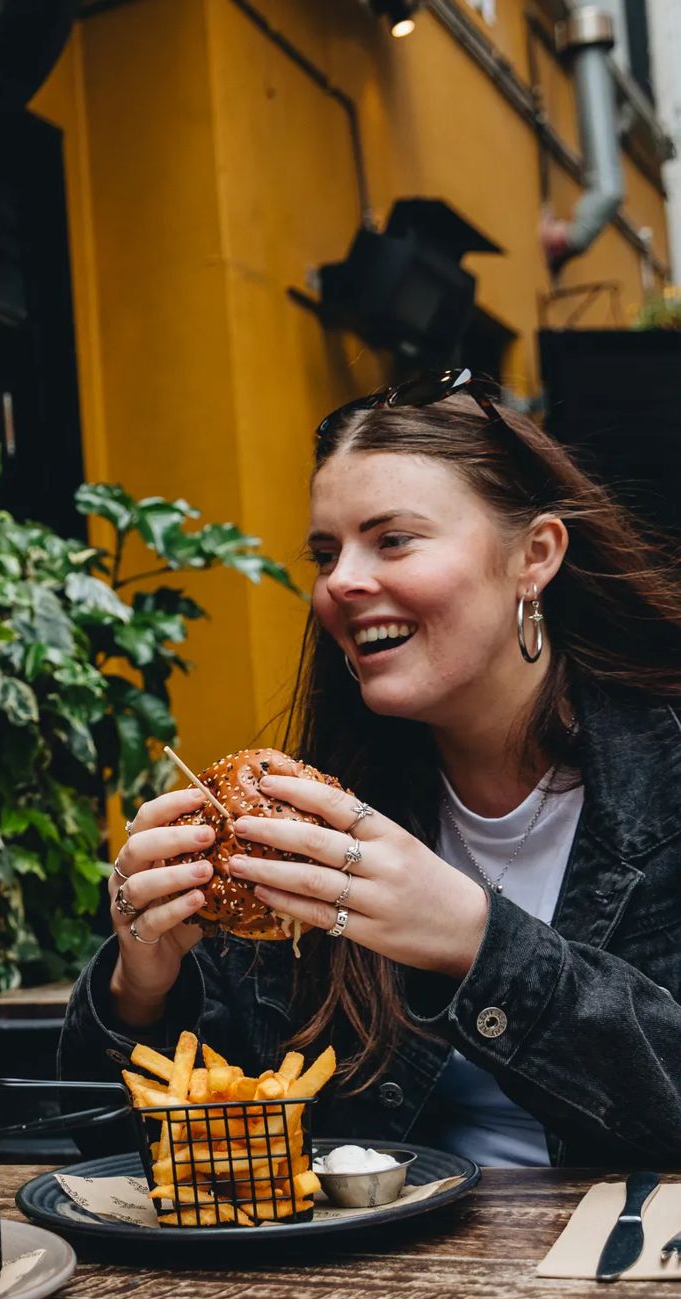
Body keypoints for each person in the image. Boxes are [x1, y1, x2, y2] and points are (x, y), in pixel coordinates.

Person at [63, 369, 681, 1168]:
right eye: (327, 552)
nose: (340, 582)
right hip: (389, 1283)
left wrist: (475, 941)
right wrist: (141, 989)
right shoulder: (305, 812)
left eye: (392, 539)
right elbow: (136, 1152)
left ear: (536, 555)